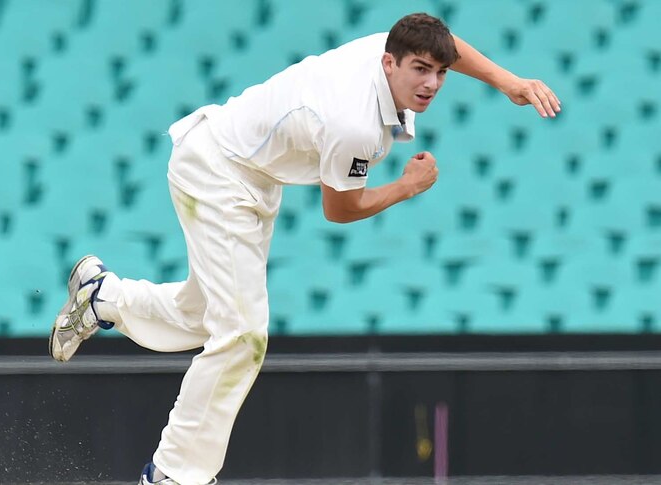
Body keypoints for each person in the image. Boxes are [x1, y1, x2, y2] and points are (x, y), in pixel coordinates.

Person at [49, 12, 561, 485]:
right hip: (217, 172)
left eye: (439, 73)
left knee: (202, 315)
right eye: (420, 70)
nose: (431, 83)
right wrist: (408, 185)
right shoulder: (353, 124)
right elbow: (340, 210)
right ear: (390, 61)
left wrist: (508, 81)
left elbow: (448, 46)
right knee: (243, 335)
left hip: (245, 173)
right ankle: (174, 474)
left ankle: (101, 298)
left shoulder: (384, 51)